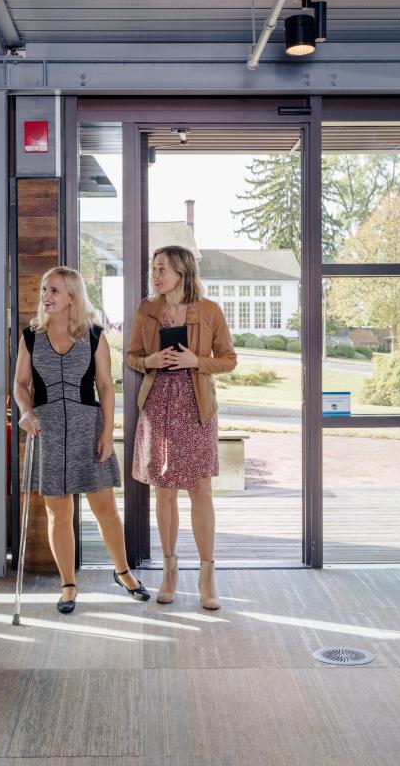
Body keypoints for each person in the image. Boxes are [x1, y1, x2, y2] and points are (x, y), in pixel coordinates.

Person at [14, 267, 150, 614]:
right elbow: (20, 384)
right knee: (58, 513)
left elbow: (106, 386)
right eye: (44, 288)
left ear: (72, 297)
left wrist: (107, 433)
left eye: (55, 290)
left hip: (87, 428)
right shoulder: (30, 337)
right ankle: (68, 585)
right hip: (48, 431)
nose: (46, 295)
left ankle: (123, 573)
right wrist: (26, 412)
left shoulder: (94, 336)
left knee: (105, 509)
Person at [126, 245, 236, 610]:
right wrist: (150, 360)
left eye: (162, 269)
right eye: (153, 268)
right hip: (158, 405)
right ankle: (169, 569)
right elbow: (131, 356)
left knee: (200, 489)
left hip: (195, 407)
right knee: (164, 490)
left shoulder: (209, 311)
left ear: (182, 272)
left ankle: (207, 574)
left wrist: (196, 360)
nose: (155, 275)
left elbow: (229, 360)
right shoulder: (147, 310)